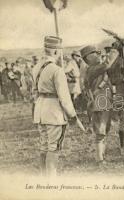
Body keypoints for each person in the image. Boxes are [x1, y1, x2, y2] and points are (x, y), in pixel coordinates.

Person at [32, 36, 77, 177]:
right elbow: (64, 98)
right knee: (53, 148)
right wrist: (73, 115)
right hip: (54, 113)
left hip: (40, 111)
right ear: (56, 52)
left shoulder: (36, 68)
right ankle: (51, 181)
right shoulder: (57, 70)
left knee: (44, 146)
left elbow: (34, 92)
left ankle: (43, 178)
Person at [80, 45, 119, 164]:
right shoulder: (92, 69)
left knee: (105, 129)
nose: (98, 54)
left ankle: (102, 154)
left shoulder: (97, 68)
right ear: (88, 57)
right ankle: (99, 159)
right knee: (100, 130)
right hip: (99, 103)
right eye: (95, 53)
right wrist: (114, 51)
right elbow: (107, 64)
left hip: (105, 102)